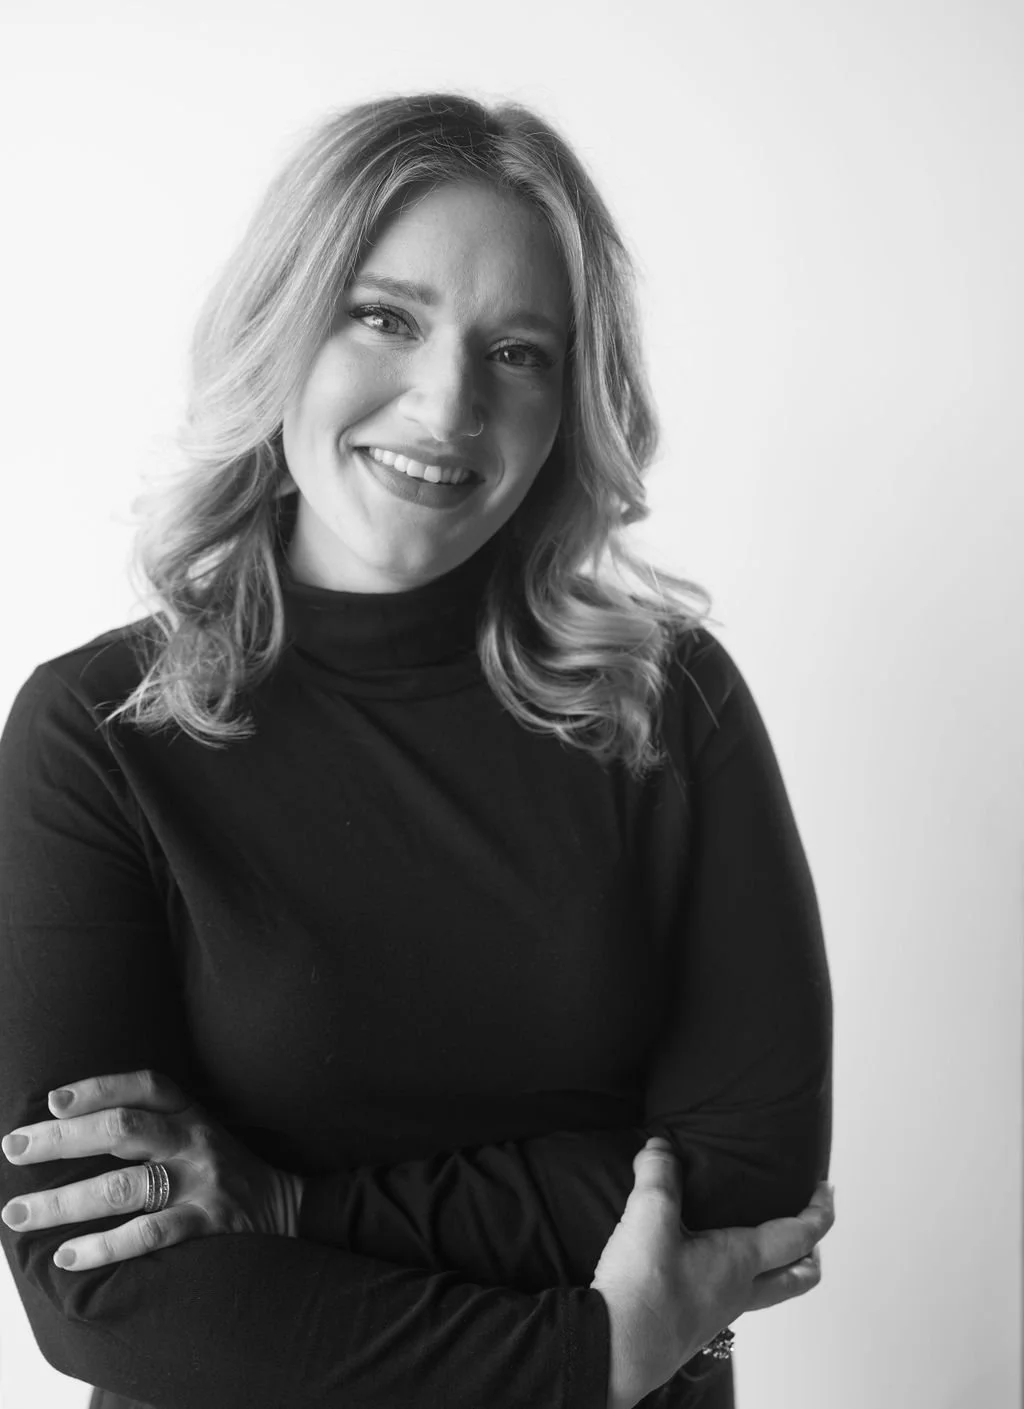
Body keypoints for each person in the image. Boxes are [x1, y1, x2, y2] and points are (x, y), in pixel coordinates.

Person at [0, 92, 834, 1409]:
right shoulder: (100, 734)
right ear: (284, 328)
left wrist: (283, 1205)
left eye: (520, 352)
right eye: (385, 316)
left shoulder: (666, 703)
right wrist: (587, 1353)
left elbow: (752, 1174)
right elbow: (101, 1287)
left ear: (572, 400)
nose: (447, 402)